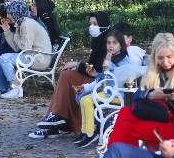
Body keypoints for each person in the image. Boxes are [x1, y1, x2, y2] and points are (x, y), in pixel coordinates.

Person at [106, 32, 174, 153]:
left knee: (129, 128)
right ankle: (119, 156)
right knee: (125, 112)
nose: (165, 62)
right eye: (160, 58)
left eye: (169, 57)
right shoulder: (154, 71)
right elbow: (136, 95)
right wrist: (151, 94)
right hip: (161, 117)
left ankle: (117, 157)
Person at [30, 11, 112, 139]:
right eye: (90, 23)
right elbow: (93, 65)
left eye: (95, 23)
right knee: (66, 74)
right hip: (96, 77)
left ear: (104, 24)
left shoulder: (109, 40)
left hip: (103, 81)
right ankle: (55, 119)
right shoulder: (99, 40)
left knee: (67, 76)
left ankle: (56, 118)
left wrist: (78, 64)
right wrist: (79, 66)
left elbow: (98, 68)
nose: (92, 27)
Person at [73, 29, 132, 148]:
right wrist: (96, 75)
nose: (110, 46)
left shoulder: (124, 59)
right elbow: (106, 77)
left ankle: (91, 133)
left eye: (114, 43)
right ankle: (86, 131)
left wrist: (108, 63)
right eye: (108, 43)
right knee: (82, 98)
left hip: (117, 94)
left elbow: (118, 76)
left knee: (88, 100)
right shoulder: (109, 57)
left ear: (120, 44)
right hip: (106, 91)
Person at [0, 0, 53, 99]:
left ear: (16, 11)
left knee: (4, 58)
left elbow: (25, 48)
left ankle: (16, 88)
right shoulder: (23, 22)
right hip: (33, 56)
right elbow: (17, 48)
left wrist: (17, 35)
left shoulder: (27, 24)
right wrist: (8, 32)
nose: (8, 16)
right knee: (4, 58)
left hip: (39, 59)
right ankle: (16, 88)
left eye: (10, 12)